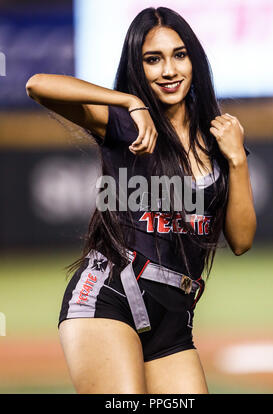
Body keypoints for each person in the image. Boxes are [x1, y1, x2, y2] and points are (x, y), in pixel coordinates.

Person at [25, 7, 256, 394]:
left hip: (175, 320)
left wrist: (236, 159)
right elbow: (38, 85)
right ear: (138, 66)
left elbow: (242, 240)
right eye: (153, 59)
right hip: (109, 297)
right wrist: (128, 100)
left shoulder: (220, 141)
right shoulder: (124, 121)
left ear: (194, 59)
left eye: (178, 55)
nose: (168, 70)